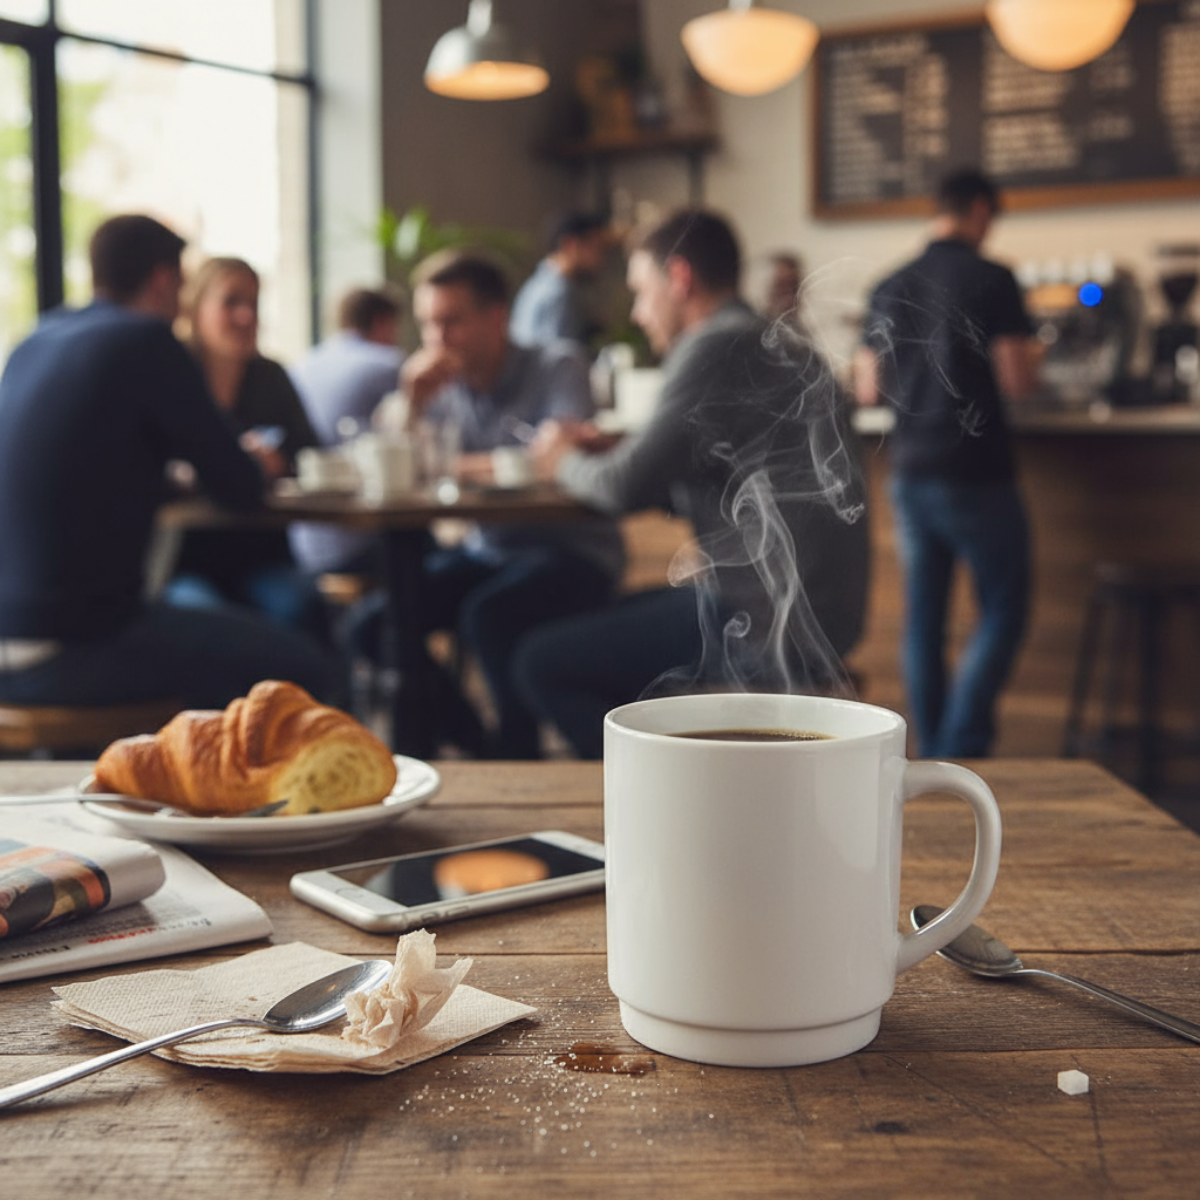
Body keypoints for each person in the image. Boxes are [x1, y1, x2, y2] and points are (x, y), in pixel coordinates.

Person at [516, 209, 870, 760]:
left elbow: (621, 488)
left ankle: (642, 797)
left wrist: (559, 458)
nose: (637, 311)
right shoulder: (765, 342)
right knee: (605, 627)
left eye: (640, 290)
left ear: (678, 279)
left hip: (764, 624)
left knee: (539, 660)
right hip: (810, 612)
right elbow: (695, 471)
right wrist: (614, 452)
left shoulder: (714, 345)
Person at [0, 214, 338, 710]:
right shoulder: (147, 341)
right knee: (306, 666)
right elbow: (240, 487)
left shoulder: (36, 340)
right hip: (76, 644)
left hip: (9, 638)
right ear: (164, 280)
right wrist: (248, 464)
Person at [368, 250, 625, 758]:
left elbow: (558, 454)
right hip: (491, 551)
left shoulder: (557, 364)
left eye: (451, 323)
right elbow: (393, 462)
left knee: (490, 615)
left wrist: (452, 464)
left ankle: (517, 756)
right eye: (427, 325)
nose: (437, 340)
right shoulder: (439, 384)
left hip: (571, 552)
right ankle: (479, 747)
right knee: (375, 622)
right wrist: (412, 404)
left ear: (497, 317)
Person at [854, 167, 1040, 758]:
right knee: (1006, 605)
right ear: (982, 211)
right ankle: (961, 746)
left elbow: (866, 390)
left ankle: (934, 755)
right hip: (977, 471)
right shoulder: (994, 278)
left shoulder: (890, 284)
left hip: (909, 473)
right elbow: (1017, 377)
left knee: (923, 623)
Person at [162, 256, 327, 637]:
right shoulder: (172, 375)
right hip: (184, 560)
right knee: (203, 622)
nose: (245, 316)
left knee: (301, 607)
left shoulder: (270, 377)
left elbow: (312, 457)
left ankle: (305, 699)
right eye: (231, 302)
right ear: (195, 308)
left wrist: (278, 461)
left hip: (261, 555)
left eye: (253, 304)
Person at [287, 285, 405, 577]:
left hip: (302, 543)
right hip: (358, 538)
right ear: (382, 322)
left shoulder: (301, 365)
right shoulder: (387, 364)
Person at [509, 212, 609, 348]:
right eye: (597, 248)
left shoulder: (535, 285)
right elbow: (560, 359)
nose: (601, 259)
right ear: (571, 245)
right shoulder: (558, 293)